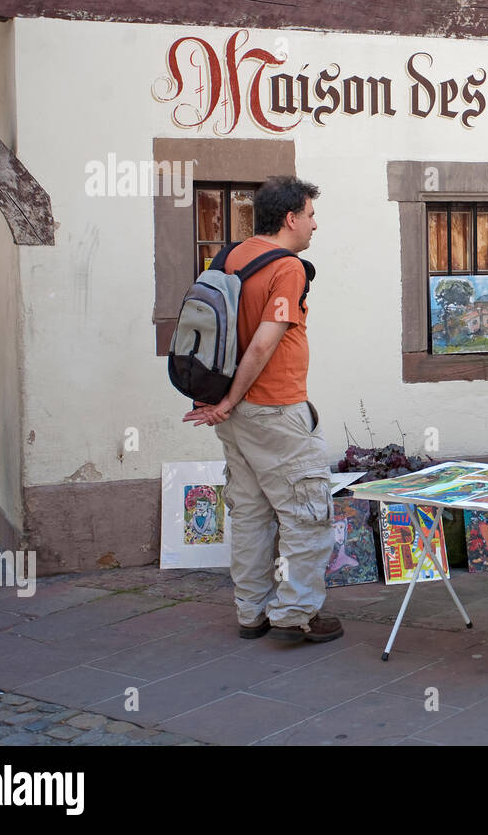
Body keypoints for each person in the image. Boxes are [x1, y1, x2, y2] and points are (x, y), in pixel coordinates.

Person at [183, 176, 342, 644]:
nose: (315, 224)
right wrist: (230, 399)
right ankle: (295, 616)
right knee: (306, 513)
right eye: (311, 214)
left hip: (235, 417)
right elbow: (262, 345)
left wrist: (221, 401)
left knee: (251, 512)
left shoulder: (229, 256)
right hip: (275, 410)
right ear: (291, 218)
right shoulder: (288, 268)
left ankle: (251, 613)